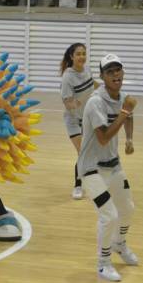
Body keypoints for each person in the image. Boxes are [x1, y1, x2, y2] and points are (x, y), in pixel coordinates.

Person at [78, 54, 139, 282]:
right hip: (91, 168)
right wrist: (124, 112)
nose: (115, 75)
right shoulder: (95, 102)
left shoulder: (123, 97)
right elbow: (103, 138)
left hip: (113, 165)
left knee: (128, 209)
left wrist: (129, 139)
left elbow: (129, 117)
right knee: (109, 215)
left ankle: (119, 244)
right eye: (110, 72)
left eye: (118, 70)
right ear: (102, 77)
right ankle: (103, 264)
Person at [60, 43, 98, 200]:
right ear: (72, 57)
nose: (82, 57)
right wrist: (76, 103)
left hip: (87, 118)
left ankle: (93, 180)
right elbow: (67, 102)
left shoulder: (87, 70)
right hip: (73, 120)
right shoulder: (68, 77)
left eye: (84, 53)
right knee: (83, 153)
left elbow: (93, 84)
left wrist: (107, 91)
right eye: (78, 54)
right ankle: (78, 186)